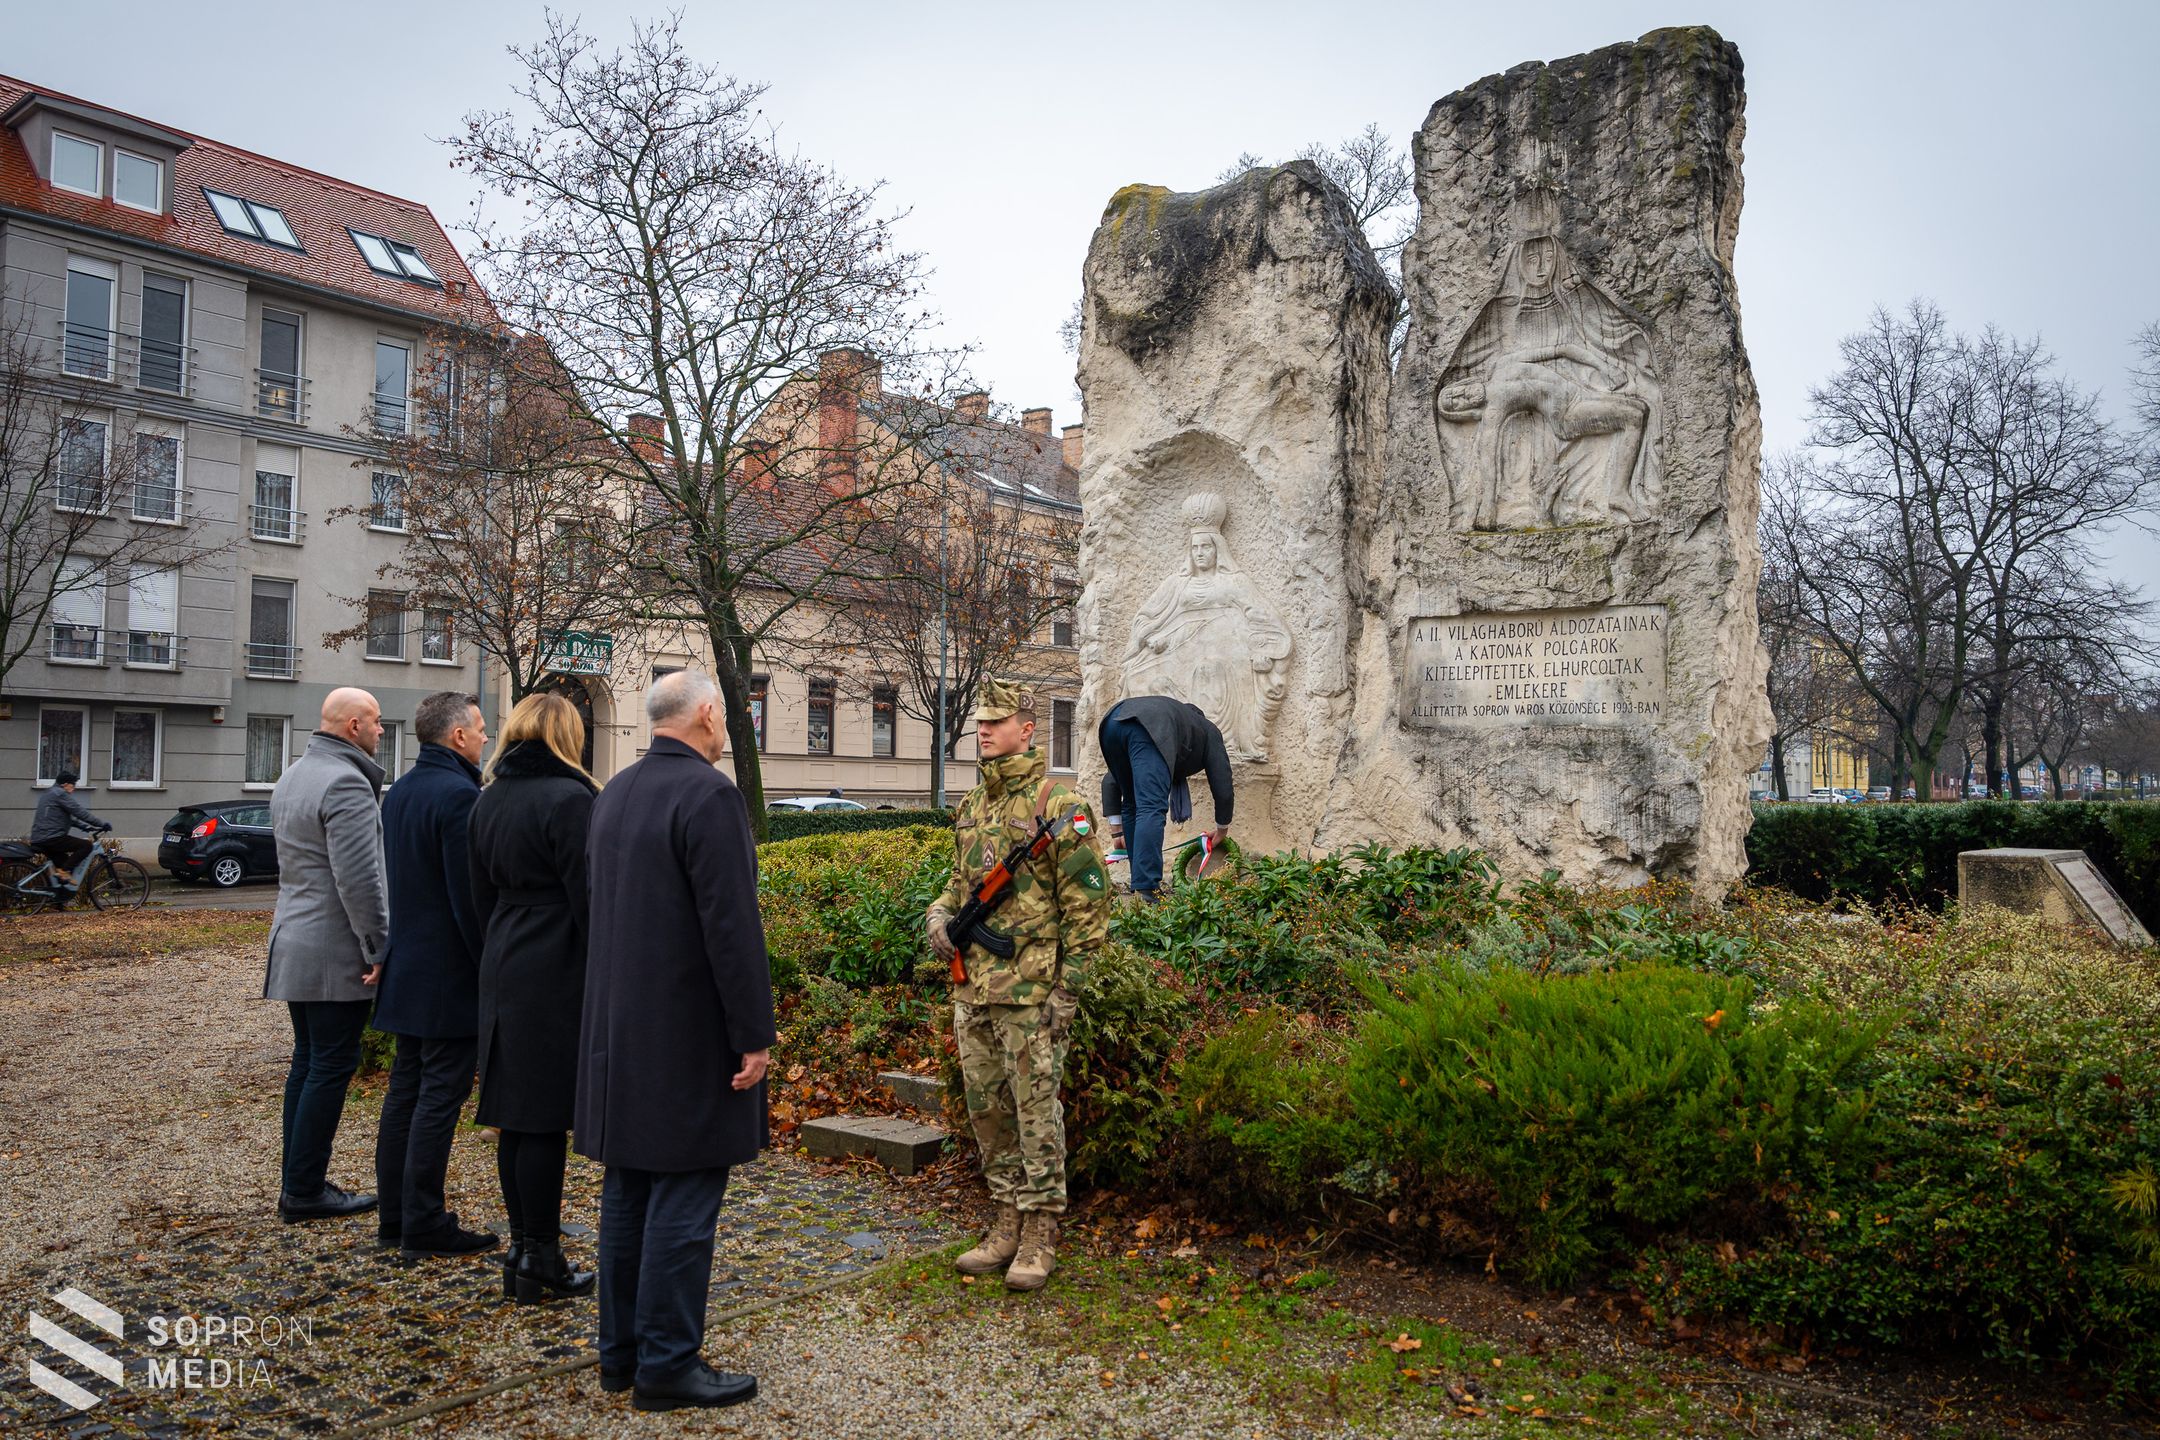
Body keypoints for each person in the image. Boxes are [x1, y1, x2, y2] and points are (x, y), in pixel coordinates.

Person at [578, 670, 774, 1410]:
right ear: (707, 715)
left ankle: (620, 1354)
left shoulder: (615, 793)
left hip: (619, 1028)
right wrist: (753, 1033)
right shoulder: (709, 796)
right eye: (726, 716)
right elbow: (732, 929)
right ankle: (667, 1363)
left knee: (628, 1192)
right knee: (687, 1199)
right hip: (688, 1033)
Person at [925, 677, 1113, 1292]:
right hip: (973, 988)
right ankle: (1005, 1220)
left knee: (1035, 1112)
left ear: (1026, 730)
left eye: (994, 722)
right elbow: (960, 885)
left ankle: (1040, 1231)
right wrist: (938, 916)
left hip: (1032, 992)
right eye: (979, 722)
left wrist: (1069, 990)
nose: (981, 730)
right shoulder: (971, 806)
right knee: (988, 1112)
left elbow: (1088, 909)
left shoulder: (1060, 807)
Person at [468, 692, 601, 1306]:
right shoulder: (572, 800)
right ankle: (540, 1257)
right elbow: (590, 899)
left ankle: (525, 1250)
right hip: (555, 966)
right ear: (566, 736)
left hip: (504, 957)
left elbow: (478, 897)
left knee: (516, 1119)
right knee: (543, 1120)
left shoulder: (489, 797)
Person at [371, 692, 496, 1261]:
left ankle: (395, 1216)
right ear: (457, 737)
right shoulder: (458, 796)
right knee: (437, 1098)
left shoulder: (401, 792)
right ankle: (422, 1220)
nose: (487, 736)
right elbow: (467, 898)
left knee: (406, 1092)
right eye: (480, 728)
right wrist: (490, 967)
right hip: (448, 974)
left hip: (409, 963)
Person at [264, 687, 389, 1224]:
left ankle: (299, 1181)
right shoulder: (346, 781)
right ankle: (305, 1189)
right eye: (378, 722)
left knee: (308, 1062)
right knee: (330, 1064)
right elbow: (359, 879)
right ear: (354, 725)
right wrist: (379, 944)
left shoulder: (294, 774)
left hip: (292, 938)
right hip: (334, 947)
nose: (382, 731)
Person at [1097, 695, 1234, 904]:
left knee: (1133, 803)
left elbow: (1110, 781)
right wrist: (1222, 829)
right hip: (1148, 727)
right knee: (1151, 806)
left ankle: (1140, 884)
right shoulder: (1207, 730)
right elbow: (1222, 779)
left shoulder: (1177, 719)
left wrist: (1117, 831)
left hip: (1111, 722)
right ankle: (1147, 890)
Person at [30, 769, 109, 897]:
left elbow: (66, 818)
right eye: (73, 785)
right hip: (52, 837)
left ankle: (59, 898)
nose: (74, 788)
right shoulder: (60, 794)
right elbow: (79, 812)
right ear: (65, 784)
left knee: (64, 862)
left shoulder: (50, 793)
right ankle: (63, 871)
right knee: (86, 846)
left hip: (41, 837)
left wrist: (86, 827)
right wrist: (101, 824)